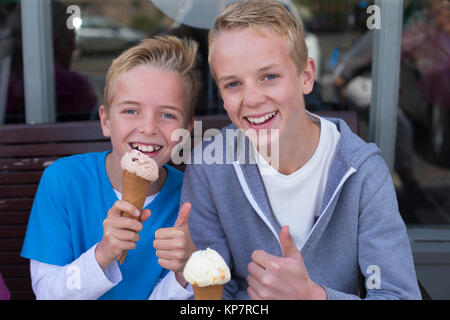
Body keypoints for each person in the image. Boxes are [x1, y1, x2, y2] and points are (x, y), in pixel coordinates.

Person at [181, 0, 421, 299]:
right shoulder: (209, 167)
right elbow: (213, 295)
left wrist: (312, 296)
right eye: (233, 84)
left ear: (306, 76)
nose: (252, 98)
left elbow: (398, 294)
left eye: (269, 76)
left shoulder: (362, 171)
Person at [20, 35, 199, 299]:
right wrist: (102, 254)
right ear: (105, 121)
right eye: (131, 111)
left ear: (186, 131)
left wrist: (185, 273)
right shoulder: (63, 180)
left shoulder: (191, 199)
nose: (148, 127)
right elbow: (47, 293)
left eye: (167, 115)